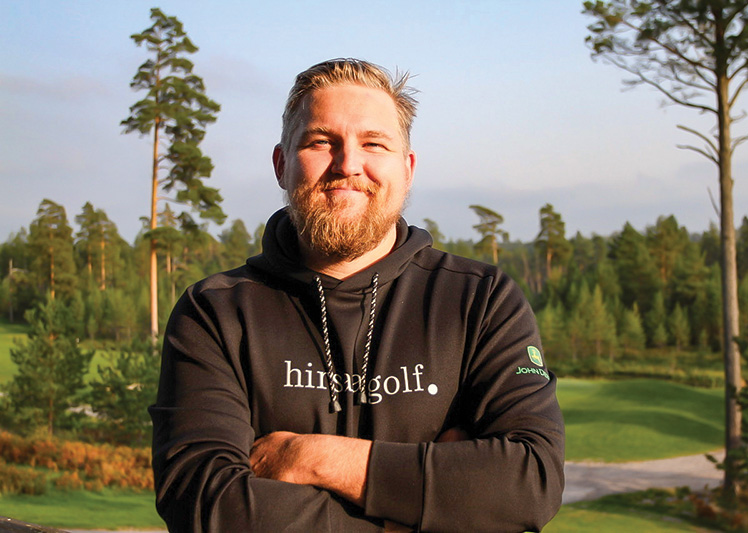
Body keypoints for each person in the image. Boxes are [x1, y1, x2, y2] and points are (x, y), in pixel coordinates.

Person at [150, 58, 565, 532]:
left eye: (374, 143)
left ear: (406, 169)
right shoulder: (216, 311)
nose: (348, 164)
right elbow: (204, 504)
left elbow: (530, 482)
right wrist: (427, 508)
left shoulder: (481, 300)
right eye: (321, 142)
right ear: (282, 164)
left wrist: (311, 459)